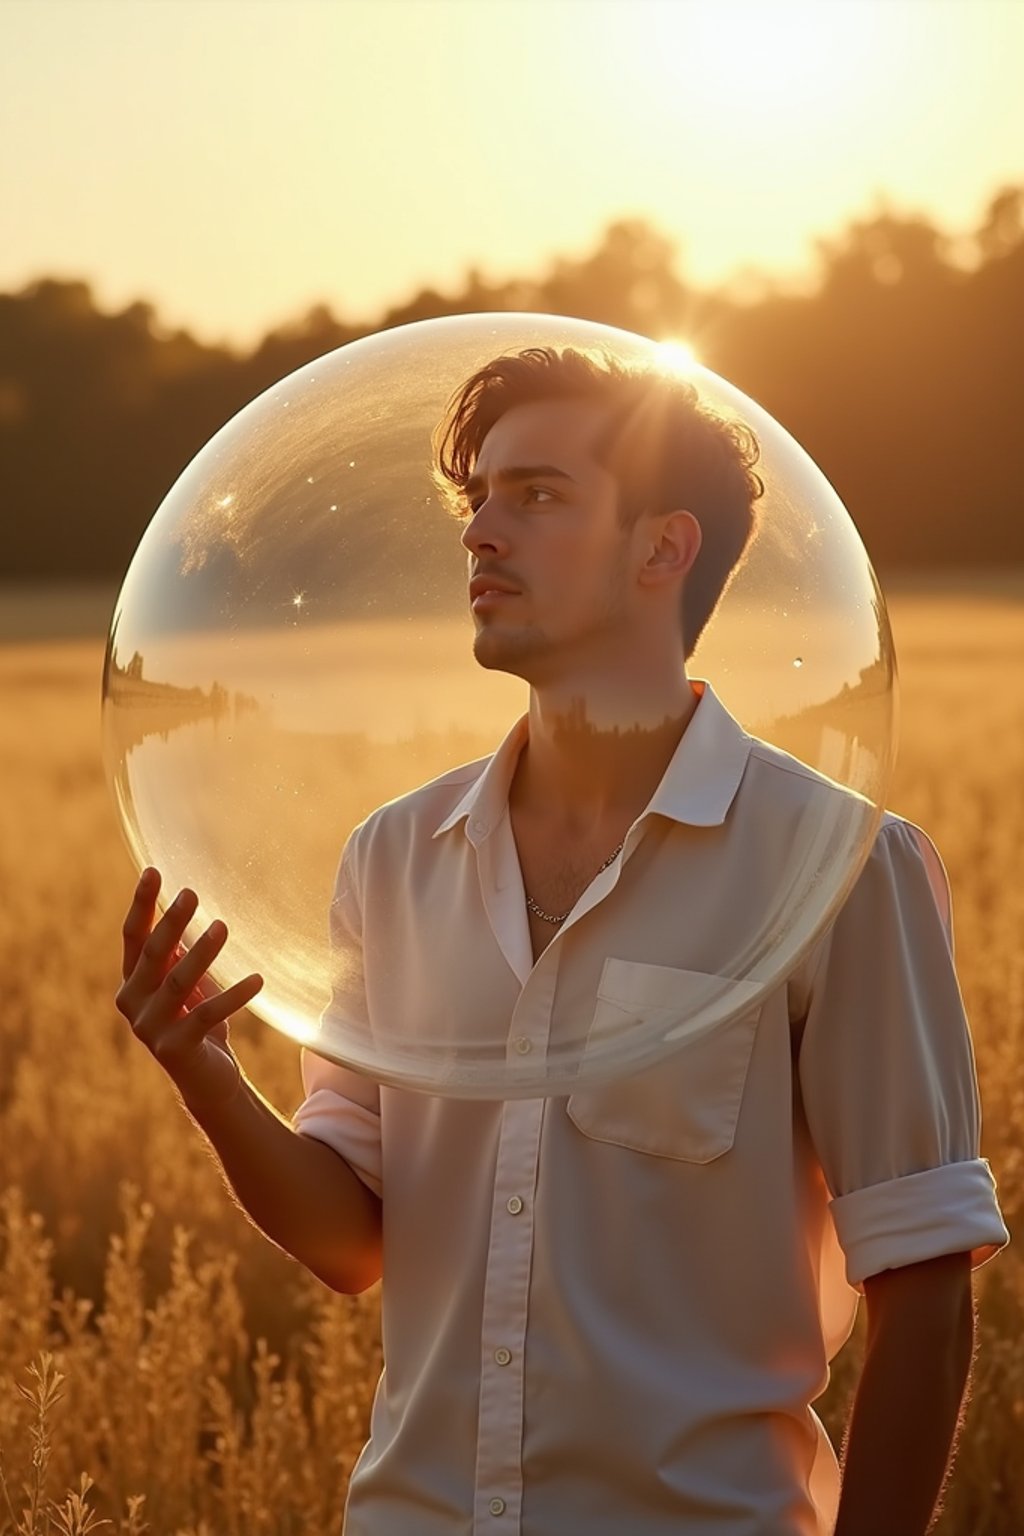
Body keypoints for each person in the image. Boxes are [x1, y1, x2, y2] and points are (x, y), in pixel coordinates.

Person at [117, 346, 1009, 1536]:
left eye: (536, 495)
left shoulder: (842, 869)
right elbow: (352, 1241)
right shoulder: (392, 861)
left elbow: (924, 1287)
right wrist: (205, 1075)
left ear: (662, 549)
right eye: (477, 497)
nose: (482, 531)